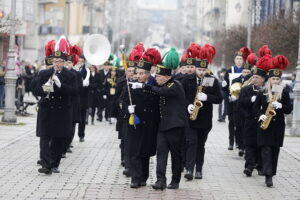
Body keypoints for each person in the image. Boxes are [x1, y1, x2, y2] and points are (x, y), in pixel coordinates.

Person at [143, 48, 188, 190]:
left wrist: (147, 87)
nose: (156, 79)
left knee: (176, 155)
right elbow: (156, 87)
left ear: (167, 77)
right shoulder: (163, 83)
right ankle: (160, 180)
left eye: (158, 77)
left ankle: (175, 181)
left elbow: (162, 91)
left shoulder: (175, 86)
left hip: (175, 127)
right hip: (163, 127)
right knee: (161, 153)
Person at [35, 36, 76, 174]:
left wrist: (60, 84)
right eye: (56, 61)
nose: (58, 64)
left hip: (62, 111)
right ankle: (46, 164)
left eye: (60, 61)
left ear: (64, 62)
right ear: (52, 61)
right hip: (47, 109)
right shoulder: (44, 73)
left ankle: (54, 163)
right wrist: (44, 87)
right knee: (45, 138)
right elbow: (35, 89)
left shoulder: (71, 76)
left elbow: (74, 92)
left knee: (58, 139)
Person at [182, 44, 222, 181]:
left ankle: (199, 169)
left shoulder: (211, 80)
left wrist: (207, 98)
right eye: (199, 69)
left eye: (203, 70)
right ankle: (189, 169)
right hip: (190, 118)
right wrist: (188, 106)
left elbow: (219, 98)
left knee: (200, 144)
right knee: (191, 142)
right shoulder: (187, 80)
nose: (201, 72)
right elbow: (182, 97)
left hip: (204, 119)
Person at [254, 54, 292, 187]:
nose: (275, 81)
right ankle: (267, 175)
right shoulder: (262, 92)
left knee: (275, 151)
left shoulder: (285, 92)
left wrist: (281, 106)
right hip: (265, 126)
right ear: (269, 79)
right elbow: (255, 108)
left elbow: (288, 109)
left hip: (277, 127)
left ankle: (271, 173)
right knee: (266, 150)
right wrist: (260, 115)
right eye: (273, 79)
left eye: (277, 79)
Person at [126, 47, 161, 188]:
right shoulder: (131, 85)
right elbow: (123, 99)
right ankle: (135, 178)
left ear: (147, 74)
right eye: (137, 73)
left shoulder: (155, 84)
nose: (138, 76)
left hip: (150, 123)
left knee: (145, 153)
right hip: (135, 121)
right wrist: (128, 109)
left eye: (141, 73)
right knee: (135, 151)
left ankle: (143, 177)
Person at [238, 52, 265, 177]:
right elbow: (240, 104)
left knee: (260, 144)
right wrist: (251, 100)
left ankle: (260, 166)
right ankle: (249, 166)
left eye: (257, 78)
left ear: (263, 79)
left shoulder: (266, 91)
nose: (254, 79)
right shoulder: (246, 89)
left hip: (262, 120)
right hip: (249, 119)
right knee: (249, 144)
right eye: (253, 77)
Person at [222, 48, 246, 150]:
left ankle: (238, 142)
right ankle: (231, 142)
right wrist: (224, 87)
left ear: (243, 60)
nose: (239, 60)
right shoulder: (229, 71)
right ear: (234, 60)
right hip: (231, 100)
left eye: (240, 59)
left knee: (240, 122)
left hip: (242, 101)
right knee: (231, 121)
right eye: (237, 58)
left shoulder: (246, 70)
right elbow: (225, 86)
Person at [64, 45, 83, 155]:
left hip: (74, 103)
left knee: (72, 125)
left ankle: (68, 143)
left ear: (73, 64)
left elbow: (79, 89)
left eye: (69, 63)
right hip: (65, 103)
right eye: (66, 63)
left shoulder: (77, 74)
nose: (68, 65)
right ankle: (63, 146)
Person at [77, 56, 90, 142]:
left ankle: (81, 135)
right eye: (79, 61)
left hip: (83, 98)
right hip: (76, 98)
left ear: (84, 62)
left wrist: (87, 84)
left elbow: (91, 85)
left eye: (82, 61)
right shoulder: (75, 70)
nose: (80, 63)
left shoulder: (87, 71)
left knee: (82, 119)